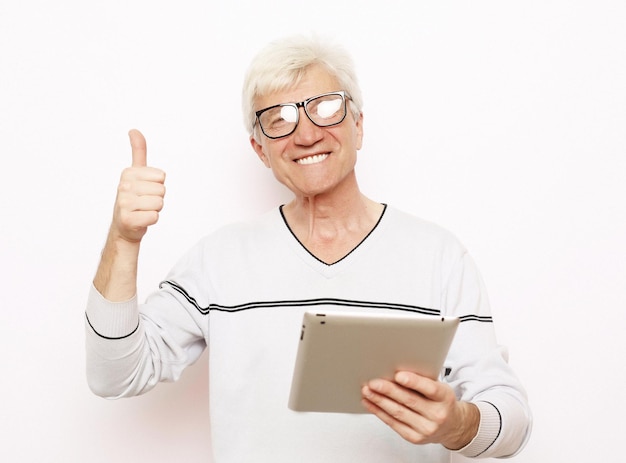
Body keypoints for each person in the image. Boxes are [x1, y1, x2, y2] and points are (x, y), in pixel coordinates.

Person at [85, 34, 531, 462]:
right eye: (279, 119)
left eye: (325, 108)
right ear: (260, 149)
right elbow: (114, 374)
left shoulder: (438, 257)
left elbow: (511, 416)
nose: (306, 134)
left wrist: (456, 424)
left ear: (357, 126)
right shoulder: (218, 261)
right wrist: (123, 239)